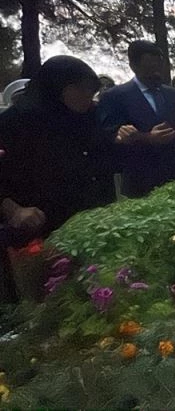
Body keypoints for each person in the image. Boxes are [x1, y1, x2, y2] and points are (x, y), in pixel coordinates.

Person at [0, 56, 118, 302]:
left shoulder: (86, 117)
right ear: (63, 89)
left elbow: (101, 157)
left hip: (91, 228)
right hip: (41, 231)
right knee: (50, 304)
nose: (90, 98)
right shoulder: (16, 122)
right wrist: (13, 210)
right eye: (84, 91)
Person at [97, 40, 175, 198]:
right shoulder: (116, 97)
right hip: (140, 184)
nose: (156, 73)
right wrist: (146, 138)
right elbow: (107, 139)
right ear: (134, 66)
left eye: (159, 67)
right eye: (150, 67)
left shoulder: (174, 95)